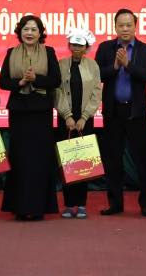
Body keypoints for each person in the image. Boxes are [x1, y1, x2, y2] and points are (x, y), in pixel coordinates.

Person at [0, 15, 61, 220]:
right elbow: (3, 81)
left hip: (41, 111)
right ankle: (19, 207)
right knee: (20, 158)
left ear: (41, 33)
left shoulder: (49, 52)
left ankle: (38, 207)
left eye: (34, 29)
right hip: (19, 111)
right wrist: (21, 82)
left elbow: (56, 80)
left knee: (40, 159)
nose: (30, 33)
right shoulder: (11, 53)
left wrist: (37, 80)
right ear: (20, 32)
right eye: (26, 29)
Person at [96, 8, 146, 216]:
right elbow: (97, 75)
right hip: (113, 113)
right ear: (115, 26)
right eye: (120, 25)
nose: (124, 29)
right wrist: (114, 66)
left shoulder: (144, 49)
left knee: (142, 160)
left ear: (135, 26)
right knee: (113, 160)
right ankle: (115, 204)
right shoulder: (105, 48)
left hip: (136, 112)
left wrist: (128, 65)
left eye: (128, 25)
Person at [54, 28, 102, 219]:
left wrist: (84, 117)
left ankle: (81, 204)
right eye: (73, 45)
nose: (76, 48)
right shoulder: (61, 64)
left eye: (80, 45)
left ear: (86, 47)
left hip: (85, 121)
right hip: (65, 121)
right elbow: (56, 92)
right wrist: (67, 116)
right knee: (66, 162)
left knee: (83, 163)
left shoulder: (93, 66)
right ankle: (68, 204)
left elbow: (96, 92)